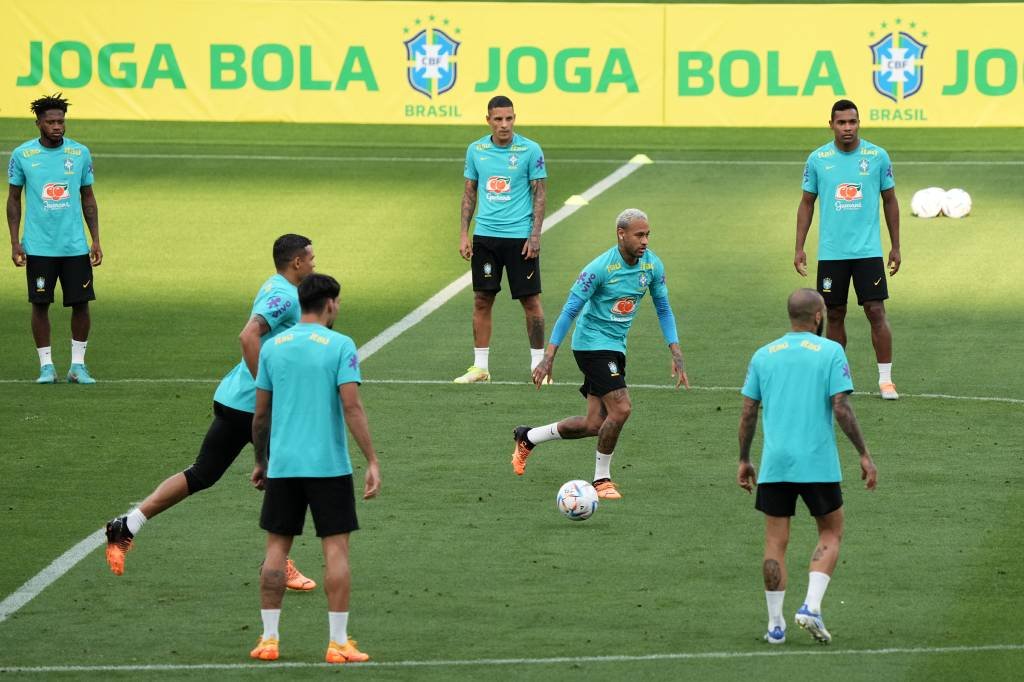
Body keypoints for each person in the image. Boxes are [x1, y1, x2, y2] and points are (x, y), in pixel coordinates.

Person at [104, 234, 318, 591]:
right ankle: (277, 562)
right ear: (296, 262)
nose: (314, 263)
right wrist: (268, 389)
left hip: (236, 399)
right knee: (290, 479)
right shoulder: (283, 296)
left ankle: (127, 525)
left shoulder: (276, 286)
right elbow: (248, 336)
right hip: (255, 406)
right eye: (311, 258)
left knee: (202, 474)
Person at [248, 273, 381, 664]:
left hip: (284, 466)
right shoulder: (340, 345)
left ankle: (269, 639)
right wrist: (371, 458)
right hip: (328, 466)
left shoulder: (272, 348)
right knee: (336, 551)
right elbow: (351, 407)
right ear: (329, 304)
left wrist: (260, 461)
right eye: (337, 302)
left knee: (276, 549)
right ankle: (337, 642)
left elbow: (260, 415)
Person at [512, 208, 689, 499]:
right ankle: (601, 480)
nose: (645, 241)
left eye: (648, 235)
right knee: (622, 409)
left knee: (595, 424)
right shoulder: (599, 268)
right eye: (639, 235)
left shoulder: (652, 266)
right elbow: (570, 309)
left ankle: (528, 437)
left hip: (616, 347)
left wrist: (676, 350)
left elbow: (663, 308)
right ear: (621, 234)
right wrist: (549, 356)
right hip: (591, 346)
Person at [737, 288, 878, 645]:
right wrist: (863, 452)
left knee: (775, 544)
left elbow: (748, 412)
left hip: (775, 465)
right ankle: (811, 606)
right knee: (830, 533)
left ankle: (775, 626)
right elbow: (841, 407)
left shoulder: (763, 355)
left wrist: (744, 458)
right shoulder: (831, 352)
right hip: (818, 464)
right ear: (818, 316)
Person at [795, 98, 901, 400]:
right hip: (832, 253)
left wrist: (895, 246)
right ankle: (838, 379)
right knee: (835, 314)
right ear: (831, 125)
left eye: (852, 122)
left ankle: (886, 381)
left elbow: (890, 201)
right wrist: (799, 247)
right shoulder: (818, 159)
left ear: (859, 123)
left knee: (876, 310)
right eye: (841, 122)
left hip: (868, 252)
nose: (847, 128)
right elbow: (806, 204)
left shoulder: (877, 156)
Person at [7, 93, 102, 384]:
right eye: (50, 122)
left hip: (74, 245)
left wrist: (95, 239)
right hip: (38, 246)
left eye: (61, 121)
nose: (57, 126)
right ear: (38, 123)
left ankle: (77, 365)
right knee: (40, 304)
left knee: (81, 303)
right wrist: (14, 242)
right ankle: (46, 366)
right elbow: (13, 200)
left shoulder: (80, 153)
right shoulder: (23, 155)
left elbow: (88, 197)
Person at [455, 95, 547, 383]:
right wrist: (463, 234)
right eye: (498, 119)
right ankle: (480, 367)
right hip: (485, 238)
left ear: (514, 118)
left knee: (530, 302)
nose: (504, 124)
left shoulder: (530, 150)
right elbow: (470, 192)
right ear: (488, 120)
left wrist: (534, 236)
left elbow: (540, 193)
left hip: (519, 238)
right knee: (482, 299)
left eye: (509, 118)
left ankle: (540, 367)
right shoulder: (476, 150)